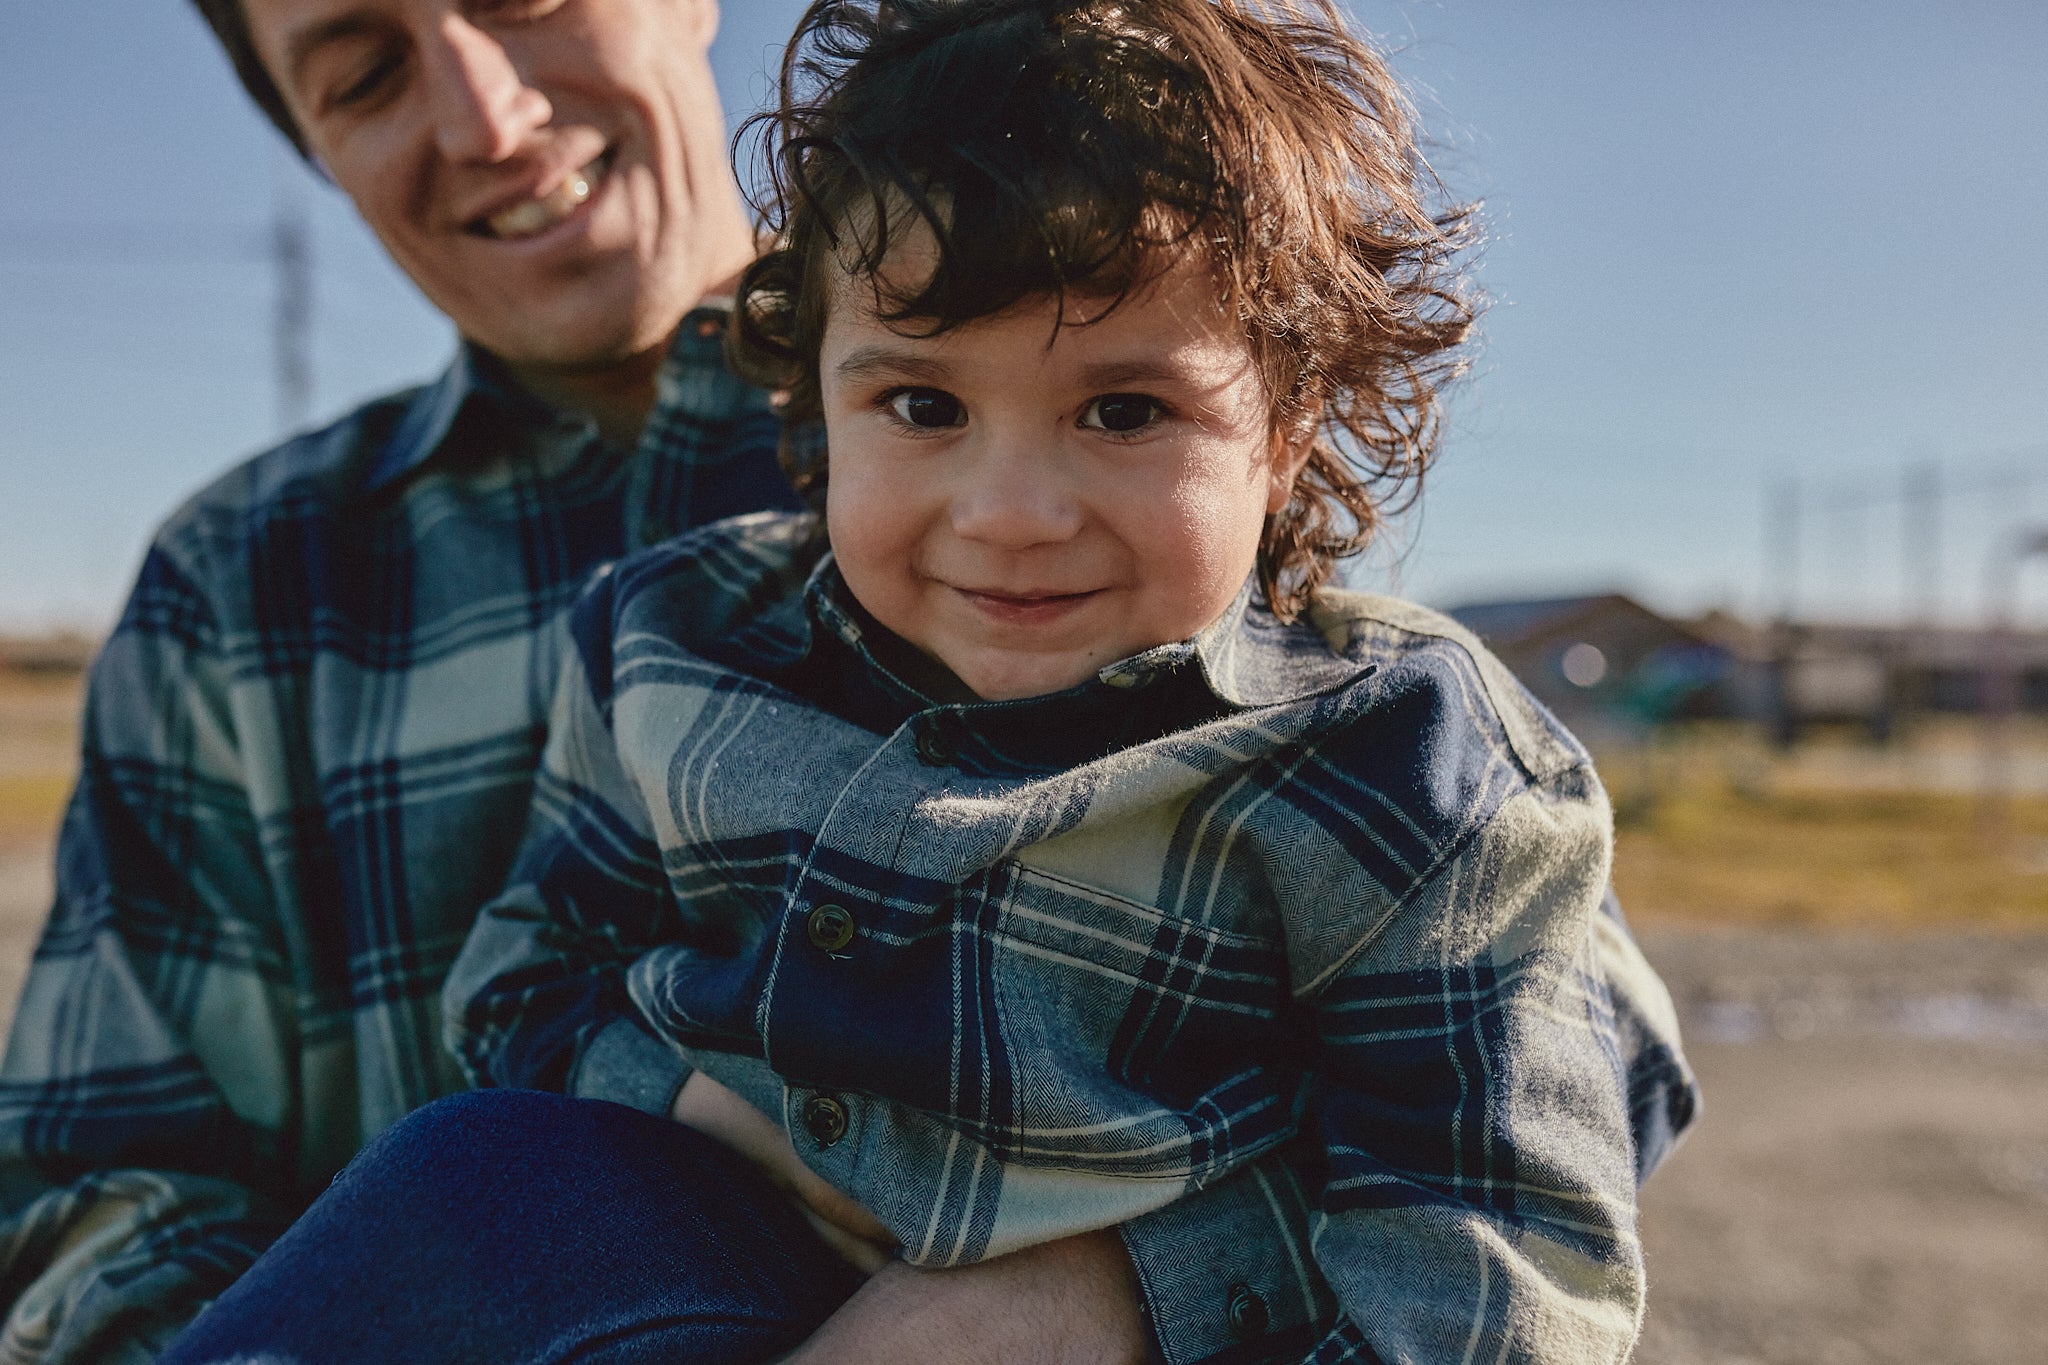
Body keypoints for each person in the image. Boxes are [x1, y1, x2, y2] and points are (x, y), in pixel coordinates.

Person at [161, 2, 1700, 1362]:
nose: (1011, 507)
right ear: (817, 390)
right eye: (921, 402)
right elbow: (525, 969)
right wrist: (697, 1112)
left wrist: (1120, 1295)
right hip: (656, 1267)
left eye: (1121, 408)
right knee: (470, 1172)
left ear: (1289, 430)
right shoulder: (668, 642)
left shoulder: (1393, 760)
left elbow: (1495, 1235)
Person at [0, 0, 798, 1358]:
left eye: (525, 0)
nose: (484, 120)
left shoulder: (1097, 436)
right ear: (317, 151)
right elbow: (98, 1211)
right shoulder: (236, 589)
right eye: (369, 75)